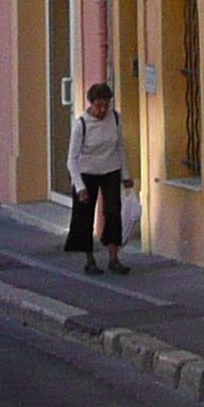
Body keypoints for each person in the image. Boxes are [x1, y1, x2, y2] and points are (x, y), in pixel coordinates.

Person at [64, 83, 129, 274]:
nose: (102, 110)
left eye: (106, 105)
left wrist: (126, 175)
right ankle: (89, 259)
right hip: (86, 172)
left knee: (113, 212)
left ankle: (113, 257)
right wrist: (79, 187)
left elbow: (120, 147)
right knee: (84, 216)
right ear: (91, 104)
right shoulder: (81, 124)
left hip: (110, 169)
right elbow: (72, 159)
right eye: (98, 106)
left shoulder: (115, 119)